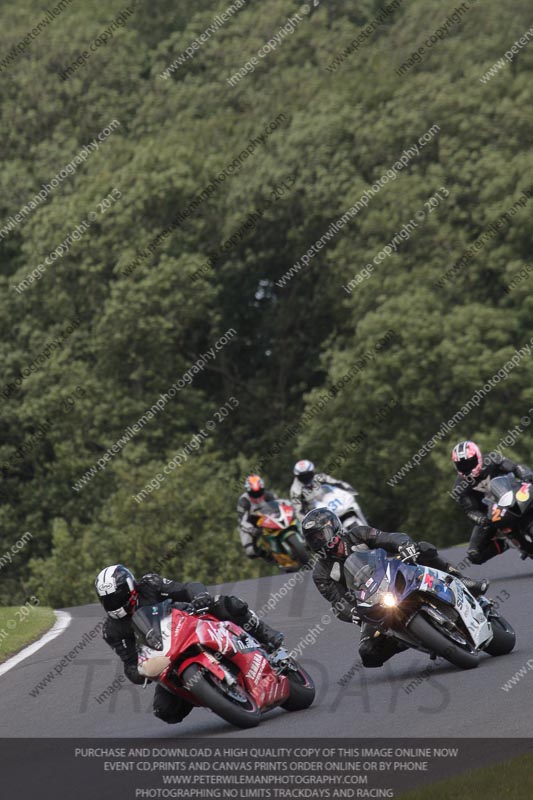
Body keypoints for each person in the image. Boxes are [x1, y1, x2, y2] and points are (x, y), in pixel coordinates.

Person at [300, 508, 488, 668]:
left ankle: (461, 579)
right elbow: (337, 602)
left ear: (333, 528)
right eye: (313, 540)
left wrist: (405, 546)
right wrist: (352, 613)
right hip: (370, 604)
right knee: (368, 655)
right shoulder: (321, 573)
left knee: (423, 549)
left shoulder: (358, 534)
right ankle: (408, 638)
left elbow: (389, 538)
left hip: (394, 575)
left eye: (320, 535)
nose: (319, 542)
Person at [95, 565, 283, 724]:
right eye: (107, 600)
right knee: (165, 711)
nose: (113, 604)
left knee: (227, 604)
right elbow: (129, 662)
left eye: (116, 597)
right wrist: (140, 671)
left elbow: (186, 587)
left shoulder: (149, 584)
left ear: (130, 588)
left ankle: (265, 634)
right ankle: (207, 691)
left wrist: (199, 596)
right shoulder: (111, 630)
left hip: (187, 621)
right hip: (165, 658)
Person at [451, 440, 533, 564]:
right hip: (491, 515)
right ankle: (505, 544)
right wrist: (480, 519)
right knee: (475, 555)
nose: (467, 467)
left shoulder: (492, 459)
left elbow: (515, 467)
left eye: (470, 462)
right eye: (462, 465)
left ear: (478, 457)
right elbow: (470, 510)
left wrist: (525, 474)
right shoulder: (460, 486)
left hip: (513, 496)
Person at [290, 459, 355, 521]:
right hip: (316, 515)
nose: (306, 477)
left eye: (308, 474)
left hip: (331, 502)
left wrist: (348, 488)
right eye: (303, 476)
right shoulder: (295, 491)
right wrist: (308, 522)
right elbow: (298, 511)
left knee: (352, 504)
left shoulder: (319, 477)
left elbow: (336, 483)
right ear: (297, 476)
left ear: (313, 471)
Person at [237, 474, 277, 560]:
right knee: (250, 552)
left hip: (268, 518)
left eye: (259, 492)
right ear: (248, 491)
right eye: (253, 493)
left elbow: (278, 506)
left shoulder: (268, 495)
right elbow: (242, 522)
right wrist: (252, 529)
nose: (257, 495)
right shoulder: (243, 501)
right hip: (250, 524)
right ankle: (266, 555)